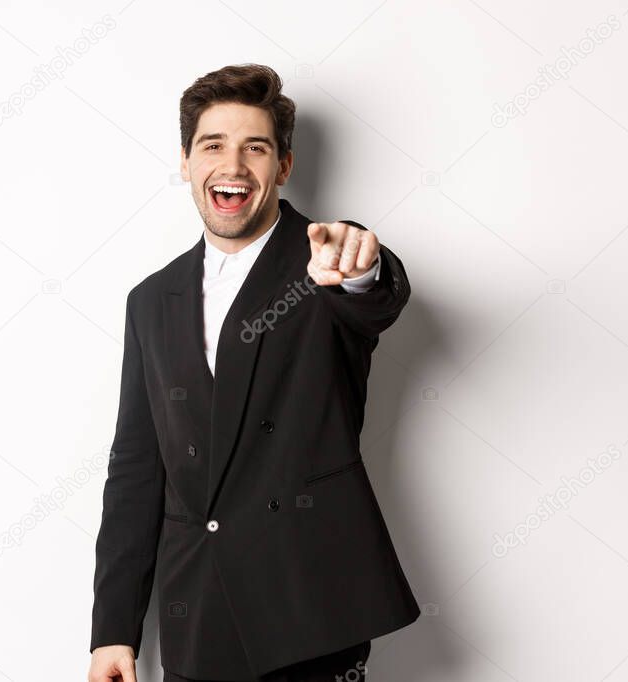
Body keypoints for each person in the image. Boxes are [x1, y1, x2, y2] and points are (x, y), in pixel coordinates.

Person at [88, 63, 419, 682]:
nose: (233, 165)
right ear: (186, 162)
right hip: (199, 621)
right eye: (213, 145)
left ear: (284, 167)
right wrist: (113, 630)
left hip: (311, 614)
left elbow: (374, 298)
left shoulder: (324, 260)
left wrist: (359, 271)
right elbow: (136, 466)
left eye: (255, 148)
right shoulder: (151, 300)